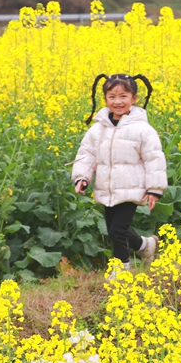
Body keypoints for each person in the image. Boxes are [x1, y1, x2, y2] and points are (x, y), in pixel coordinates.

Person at [71, 73, 167, 265]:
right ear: (105, 98)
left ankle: (121, 270)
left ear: (134, 98)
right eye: (112, 97)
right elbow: (87, 154)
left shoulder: (142, 129)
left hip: (132, 189)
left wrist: (155, 189)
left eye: (123, 96)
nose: (118, 101)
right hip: (107, 188)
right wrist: (82, 177)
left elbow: (154, 159)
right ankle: (146, 246)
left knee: (117, 231)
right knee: (115, 230)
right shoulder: (98, 128)